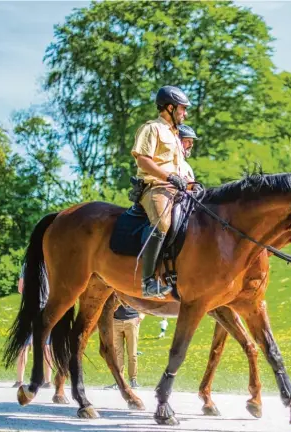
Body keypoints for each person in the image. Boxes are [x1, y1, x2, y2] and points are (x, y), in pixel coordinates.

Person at [131, 85, 191, 299]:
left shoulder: (175, 135)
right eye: (182, 109)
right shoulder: (151, 128)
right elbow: (143, 160)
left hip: (178, 189)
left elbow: (179, 167)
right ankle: (148, 282)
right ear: (169, 107)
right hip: (155, 188)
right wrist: (168, 177)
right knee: (163, 222)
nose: (185, 113)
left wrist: (190, 183)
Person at [13, 272, 52, 388]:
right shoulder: (51, 261)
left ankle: (19, 381)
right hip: (46, 309)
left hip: (30, 309)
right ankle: (48, 381)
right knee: (46, 346)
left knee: (24, 345)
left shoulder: (28, 264)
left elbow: (20, 288)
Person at [105, 304, 145, 390]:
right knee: (118, 354)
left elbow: (141, 298)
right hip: (116, 321)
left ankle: (133, 380)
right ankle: (119, 381)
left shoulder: (131, 289)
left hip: (132, 320)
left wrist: (142, 314)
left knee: (132, 354)